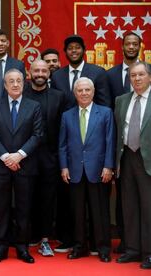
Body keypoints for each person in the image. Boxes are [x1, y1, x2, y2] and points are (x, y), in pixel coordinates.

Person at [0, 69, 43, 264]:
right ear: (4, 85)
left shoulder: (34, 106)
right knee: (0, 208)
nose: (15, 84)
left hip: (25, 165)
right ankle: (0, 246)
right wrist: (5, 157)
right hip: (0, 166)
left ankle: (22, 247)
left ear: (24, 83)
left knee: (24, 208)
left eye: (19, 81)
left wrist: (19, 156)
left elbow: (37, 135)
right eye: (11, 81)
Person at [59, 77, 114, 263]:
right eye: (80, 90)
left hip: (98, 170)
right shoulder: (67, 115)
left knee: (100, 212)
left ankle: (103, 248)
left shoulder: (105, 113)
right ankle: (79, 246)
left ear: (93, 92)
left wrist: (108, 166)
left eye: (87, 90)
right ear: (75, 93)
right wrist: (64, 166)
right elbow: (63, 145)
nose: (83, 93)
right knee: (77, 212)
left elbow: (110, 141)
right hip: (74, 170)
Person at [23, 60, 66, 256]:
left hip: (50, 157)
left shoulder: (59, 97)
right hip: (25, 157)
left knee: (48, 200)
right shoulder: (20, 93)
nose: (40, 73)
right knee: (26, 198)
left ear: (49, 73)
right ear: (29, 73)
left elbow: (63, 129)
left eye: (44, 70)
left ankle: (45, 239)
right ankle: (29, 236)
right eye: (36, 70)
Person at [106, 32, 142, 254]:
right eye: (127, 43)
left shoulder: (148, 72)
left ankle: (146, 246)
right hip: (122, 148)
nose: (131, 47)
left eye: (135, 44)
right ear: (121, 46)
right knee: (125, 199)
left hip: (145, 149)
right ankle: (128, 243)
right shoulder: (110, 76)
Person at [114, 61, 151, 270]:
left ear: (149, 77)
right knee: (129, 206)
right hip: (127, 158)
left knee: (148, 208)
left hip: (148, 160)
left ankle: (149, 253)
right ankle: (133, 250)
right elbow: (118, 133)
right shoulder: (121, 100)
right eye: (133, 76)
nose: (136, 79)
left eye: (140, 75)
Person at [51, 34, 111, 109]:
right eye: (70, 48)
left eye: (78, 47)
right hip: (64, 120)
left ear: (84, 50)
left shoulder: (98, 72)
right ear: (65, 52)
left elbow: (104, 104)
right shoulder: (57, 76)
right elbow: (54, 106)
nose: (74, 51)